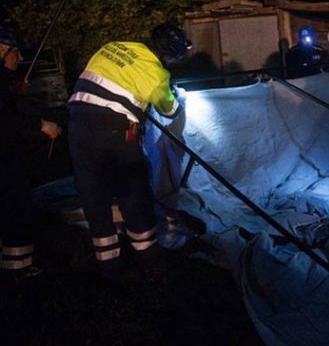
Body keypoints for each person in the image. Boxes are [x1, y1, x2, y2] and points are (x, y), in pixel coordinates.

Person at [67, 23, 191, 279]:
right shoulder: (156, 73)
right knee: (133, 190)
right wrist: (177, 100)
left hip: (77, 124)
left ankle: (108, 266)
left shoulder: (113, 47)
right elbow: (169, 110)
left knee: (93, 192)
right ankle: (148, 258)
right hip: (113, 129)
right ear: (169, 55)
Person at [0, 23, 61, 280]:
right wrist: (41, 125)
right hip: (5, 160)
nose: (20, 57)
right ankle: (18, 266)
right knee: (15, 205)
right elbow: (5, 120)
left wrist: (13, 89)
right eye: (15, 51)